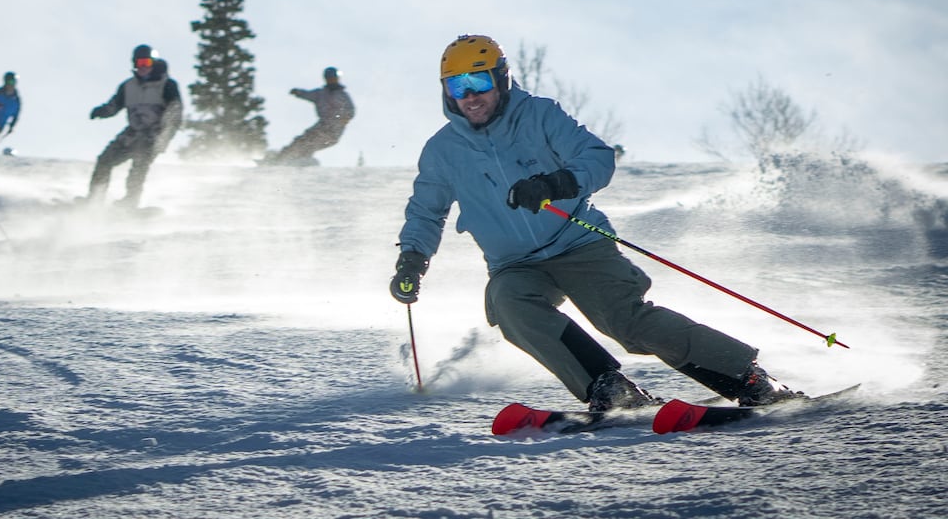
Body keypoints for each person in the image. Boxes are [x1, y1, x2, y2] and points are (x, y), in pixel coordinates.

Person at [388, 34, 798, 411]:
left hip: (578, 243)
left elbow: (597, 157)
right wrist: (412, 260)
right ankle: (608, 386)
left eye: (479, 82)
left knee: (625, 321)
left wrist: (557, 182)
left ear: (501, 80)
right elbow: (427, 211)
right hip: (515, 264)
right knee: (509, 304)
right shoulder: (442, 150)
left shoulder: (539, 115)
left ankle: (749, 379)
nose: (470, 96)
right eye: (457, 86)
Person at [86, 44, 182, 206]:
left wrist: (165, 136)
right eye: (139, 63)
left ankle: (131, 201)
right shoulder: (128, 86)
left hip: (154, 133)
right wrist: (100, 111)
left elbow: (175, 111)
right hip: (132, 132)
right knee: (105, 160)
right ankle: (95, 199)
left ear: (154, 63)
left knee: (140, 164)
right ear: (134, 64)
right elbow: (114, 106)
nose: (143, 67)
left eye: (147, 63)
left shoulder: (166, 85)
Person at [271, 66, 355, 163]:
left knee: (312, 143)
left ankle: (300, 159)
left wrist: (344, 118)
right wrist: (298, 92)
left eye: (333, 78)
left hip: (334, 129)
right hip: (322, 125)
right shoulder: (321, 93)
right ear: (326, 79)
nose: (331, 80)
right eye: (329, 78)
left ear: (337, 78)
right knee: (302, 140)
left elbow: (350, 110)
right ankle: (281, 158)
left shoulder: (342, 95)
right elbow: (308, 94)